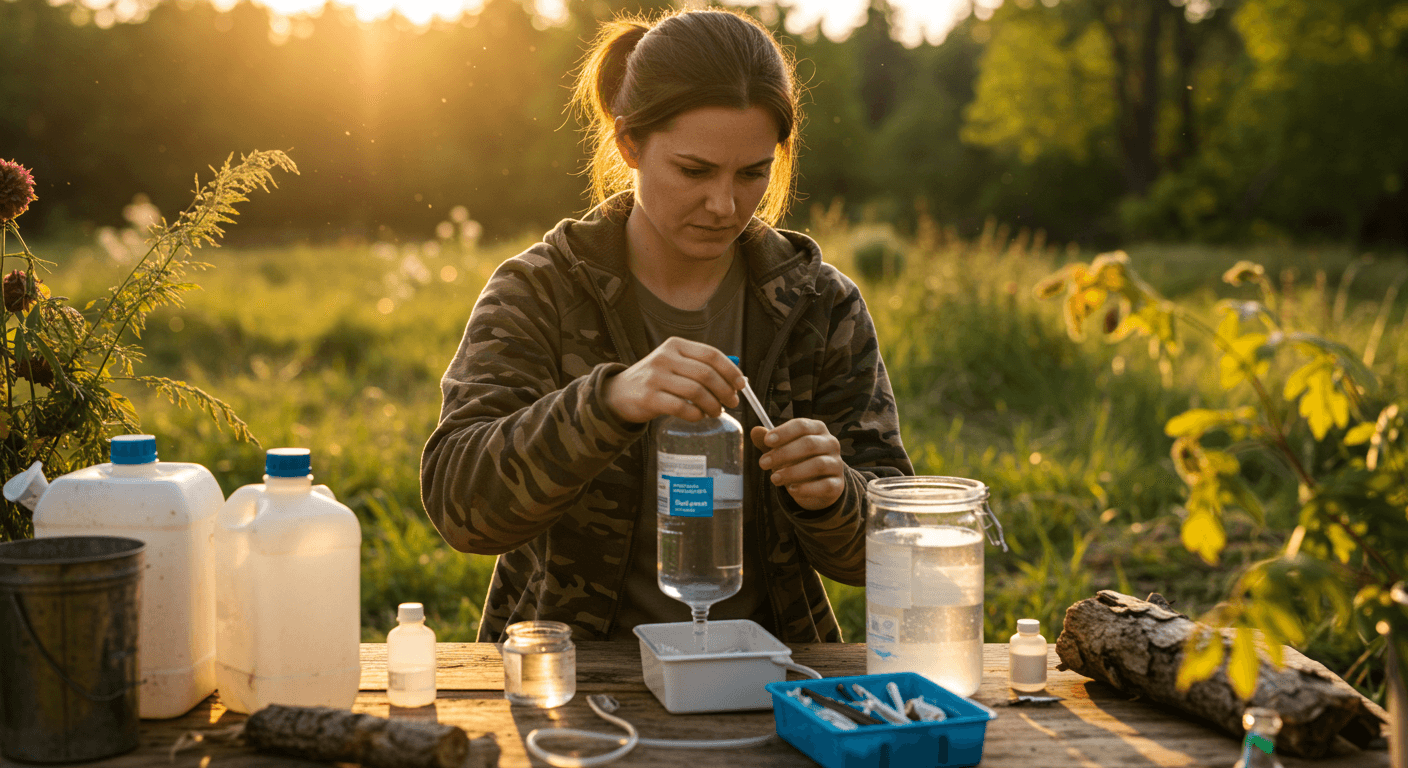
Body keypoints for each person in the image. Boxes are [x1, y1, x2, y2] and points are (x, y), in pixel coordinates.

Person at [420, 8, 912, 644]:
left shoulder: (819, 305)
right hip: (570, 674)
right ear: (629, 143)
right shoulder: (539, 292)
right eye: (694, 170)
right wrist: (608, 402)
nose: (724, 204)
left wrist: (834, 495)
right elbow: (461, 509)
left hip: (772, 673)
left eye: (752, 173)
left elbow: (892, 550)